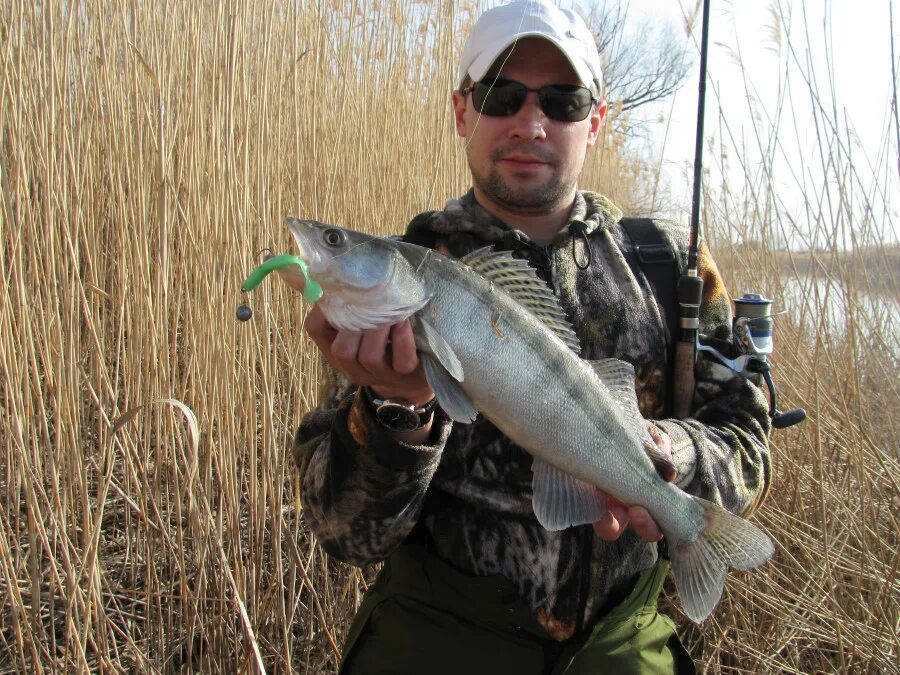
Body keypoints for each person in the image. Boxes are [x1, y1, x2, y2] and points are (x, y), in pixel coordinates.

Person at [287, 1, 770, 673]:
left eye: (563, 101)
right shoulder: (394, 288)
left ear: (596, 121)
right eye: (502, 95)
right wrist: (397, 410)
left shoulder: (671, 269)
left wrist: (660, 455)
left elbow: (747, 441)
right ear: (463, 111)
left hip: (622, 648)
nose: (530, 122)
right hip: (436, 643)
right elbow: (343, 532)